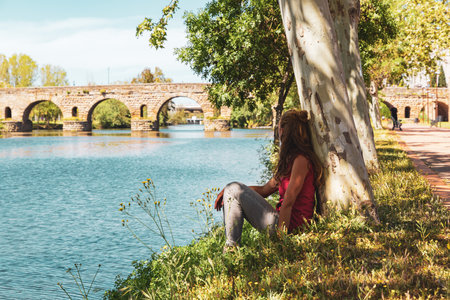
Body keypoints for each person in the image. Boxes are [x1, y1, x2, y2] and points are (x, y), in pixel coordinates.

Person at [214, 110, 323, 248]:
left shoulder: (301, 160)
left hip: (290, 228)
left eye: (278, 128)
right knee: (233, 189)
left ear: (283, 130)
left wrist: (282, 241)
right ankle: (232, 247)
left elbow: (289, 202)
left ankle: (231, 249)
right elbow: (265, 190)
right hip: (283, 223)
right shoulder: (289, 160)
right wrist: (229, 191)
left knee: (233, 188)